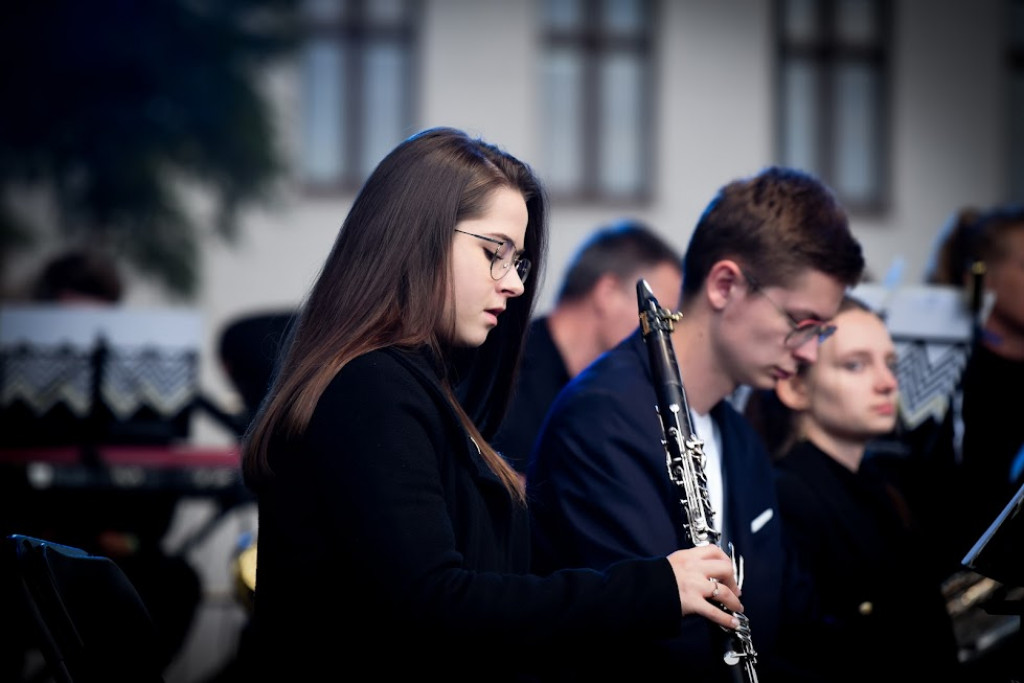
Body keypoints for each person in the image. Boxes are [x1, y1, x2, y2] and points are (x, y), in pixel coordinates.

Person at [239, 127, 748, 682]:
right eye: (493, 253)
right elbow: (436, 603)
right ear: (418, 238)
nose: (512, 284)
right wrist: (651, 589)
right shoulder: (371, 386)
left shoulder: (412, 384)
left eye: (519, 263)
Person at [526, 165, 865, 681]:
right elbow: (655, 650)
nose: (811, 353)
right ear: (725, 285)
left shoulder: (743, 443)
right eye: (801, 324)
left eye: (822, 331)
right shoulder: (600, 420)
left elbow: (786, 617)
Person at [769, 297, 963, 683]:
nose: (888, 383)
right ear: (795, 387)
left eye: (890, 364)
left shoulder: (884, 480)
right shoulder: (788, 496)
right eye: (855, 365)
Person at [491, 219, 682, 474]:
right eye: (657, 314)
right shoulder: (500, 363)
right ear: (608, 293)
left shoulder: (612, 390)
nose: (666, 334)